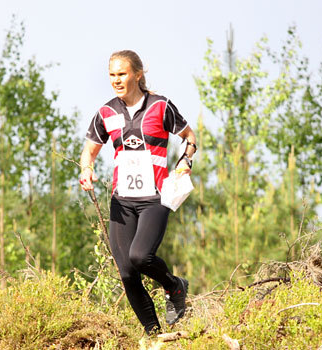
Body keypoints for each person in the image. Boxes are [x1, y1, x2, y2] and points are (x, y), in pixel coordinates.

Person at [79, 50, 197, 335]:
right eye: (112, 75)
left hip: (155, 198)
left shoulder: (160, 106)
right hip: (122, 202)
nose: (116, 80)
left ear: (137, 74)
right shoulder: (106, 112)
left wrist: (185, 161)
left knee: (140, 256)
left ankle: (173, 285)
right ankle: (154, 334)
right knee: (127, 272)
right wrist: (86, 170)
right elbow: (89, 152)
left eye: (122, 74)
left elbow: (189, 138)